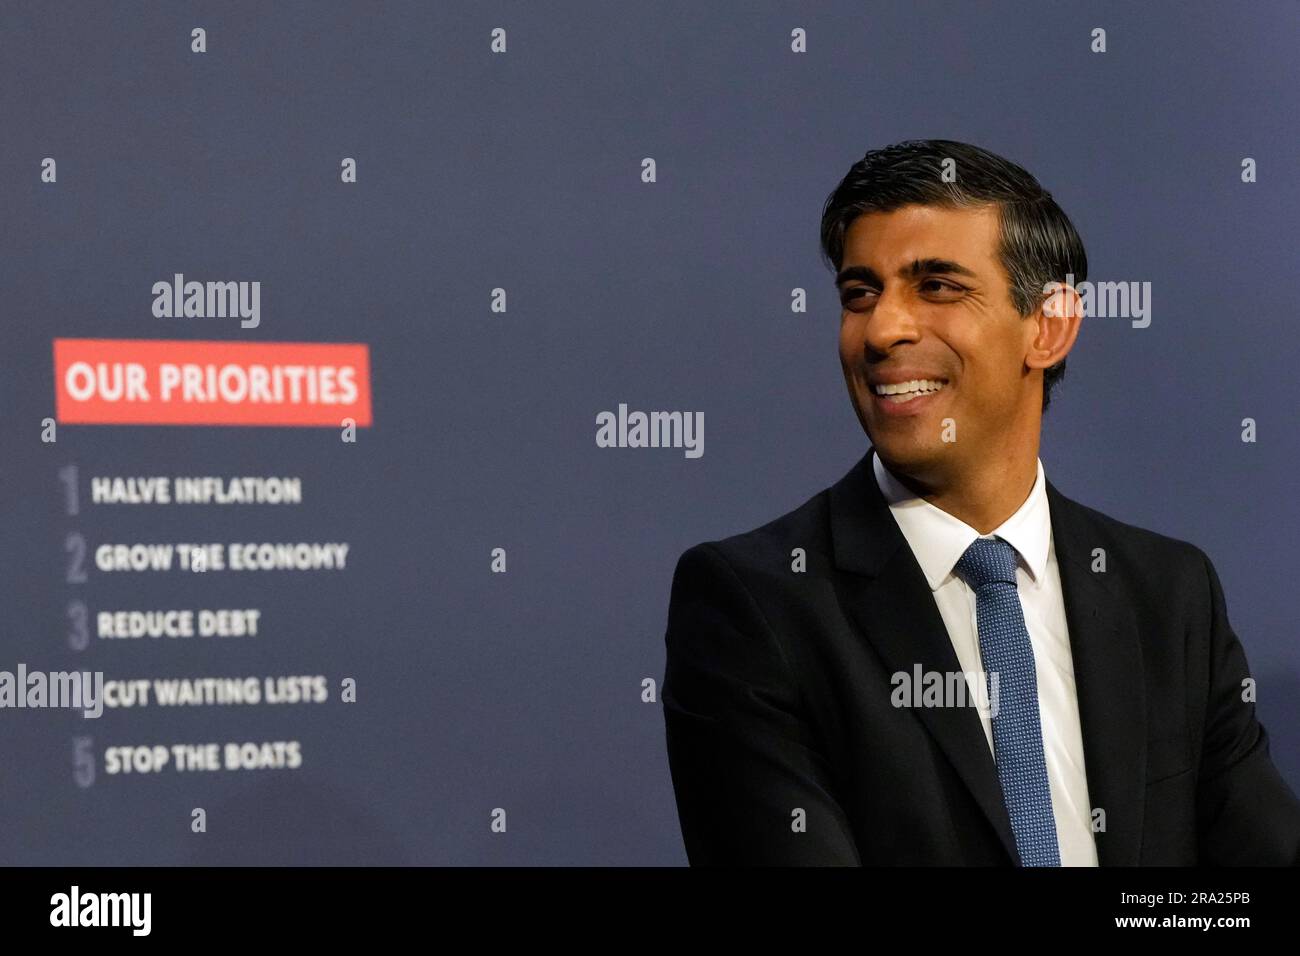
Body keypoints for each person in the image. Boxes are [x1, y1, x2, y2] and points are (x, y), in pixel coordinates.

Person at [661, 139, 1300, 865]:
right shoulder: (757, 604)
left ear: (1049, 328)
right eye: (860, 293)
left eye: (936, 286)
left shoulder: (1169, 593)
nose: (882, 329)